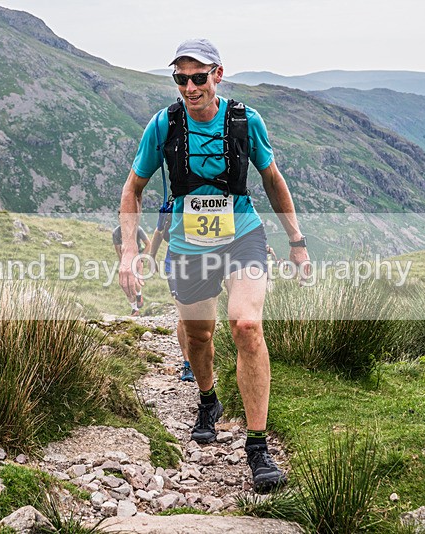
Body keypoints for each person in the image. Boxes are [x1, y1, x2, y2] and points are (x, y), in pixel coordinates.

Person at [118, 38, 310, 493]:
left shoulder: (245, 120)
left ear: (217, 76)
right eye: (180, 78)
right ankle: (208, 400)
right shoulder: (163, 126)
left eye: (198, 77)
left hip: (243, 234)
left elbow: (272, 179)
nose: (189, 87)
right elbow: (133, 189)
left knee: (246, 325)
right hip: (188, 245)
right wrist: (130, 251)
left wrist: (297, 242)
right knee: (200, 335)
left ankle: (257, 448)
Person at [148, 206, 195, 382]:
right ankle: (188, 363)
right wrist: (151, 257)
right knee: (185, 313)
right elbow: (159, 231)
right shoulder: (170, 206)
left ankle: (203, 358)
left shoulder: (207, 195)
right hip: (174, 266)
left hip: (204, 265)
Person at [112, 223, 151, 315]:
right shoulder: (116, 233)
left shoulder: (138, 229)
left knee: (135, 281)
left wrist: (141, 259)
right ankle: (134, 309)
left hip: (137, 256)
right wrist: (123, 263)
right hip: (126, 259)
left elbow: (148, 244)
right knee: (125, 285)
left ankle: (139, 295)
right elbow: (118, 250)